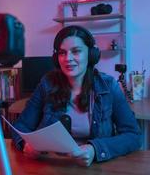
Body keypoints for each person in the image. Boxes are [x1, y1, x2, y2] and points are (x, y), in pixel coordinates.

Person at [11, 25, 142, 167]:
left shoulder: (108, 86)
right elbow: (21, 126)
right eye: (62, 53)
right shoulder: (47, 84)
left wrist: (95, 149)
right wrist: (25, 144)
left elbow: (133, 136)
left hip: (95, 167)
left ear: (90, 54)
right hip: (51, 166)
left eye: (76, 51)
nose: (68, 58)